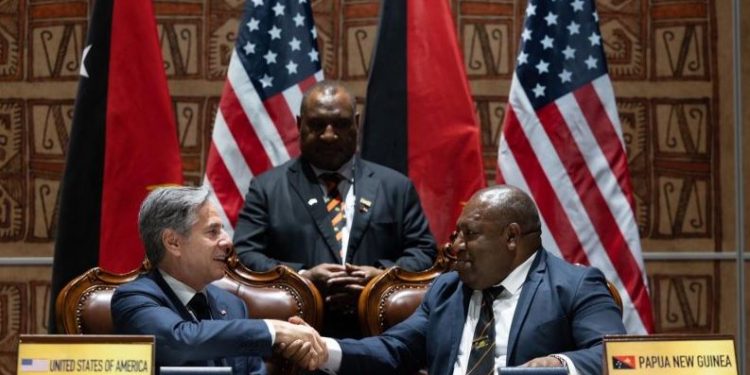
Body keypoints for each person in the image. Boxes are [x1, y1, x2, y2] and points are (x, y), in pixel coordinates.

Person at [311, 185, 627, 375]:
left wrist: (556, 366)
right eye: (457, 233)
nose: (454, 246)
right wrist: (324, 350)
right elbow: (393, 349)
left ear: (512, 237)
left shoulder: (574, 286)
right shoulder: (448, 290)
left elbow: (614, 356)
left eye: (470, 234)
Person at [233, 81, 436, 337]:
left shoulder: (395, 186)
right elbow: (245, 254)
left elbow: (424, 252)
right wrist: (303, 277)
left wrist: (381, 277)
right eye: (317, 125)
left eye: (340, 124)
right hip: (298, 333)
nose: (329, 135)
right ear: (299, 124)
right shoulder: (267, 188)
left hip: (380, 335)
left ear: (356, 123)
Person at [111, 187, 327, 374]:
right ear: (173, 242)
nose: (228, 242)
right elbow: (180, 342)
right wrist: (273, 330)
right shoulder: (134, 298)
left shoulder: (232, 305)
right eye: (213, 231)